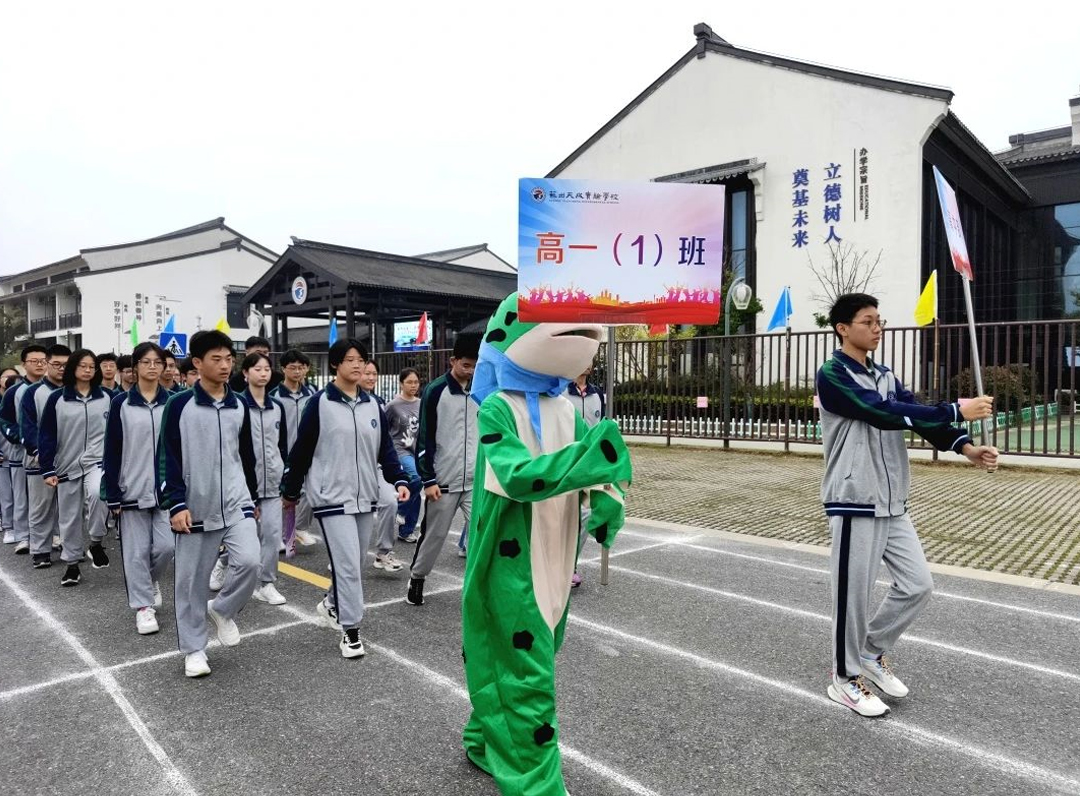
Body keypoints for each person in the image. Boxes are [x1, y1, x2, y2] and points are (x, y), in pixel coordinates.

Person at [460, 294, 631, 795]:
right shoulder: (497, 407)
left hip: (557, 552)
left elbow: (592, 469)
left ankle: (484, 737)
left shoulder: (564, 406)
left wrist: (607, 501)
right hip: (512, 556)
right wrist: (594, 461)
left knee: (533, 651)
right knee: (528, 673)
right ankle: (536, 784)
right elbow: (515, 476)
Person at [816, 293, 998, 717]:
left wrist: (966, 447)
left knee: (918, 584)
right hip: (854, 498)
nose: (877, 328)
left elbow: (914, 413)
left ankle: (870, 652)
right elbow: (881, 413)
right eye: (867, 321)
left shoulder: (884, 373)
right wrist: (957, 407)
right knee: (853, 596)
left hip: (893, 501)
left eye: (879, 320)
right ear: (843, 328)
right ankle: (844, 680)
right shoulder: (833, 374)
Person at [281, 338, 409, 658]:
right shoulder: (319, 404)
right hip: (330, 496)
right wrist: (291, 491)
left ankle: (330, 604)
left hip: (365, 495)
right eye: (349, 359)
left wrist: (400, 478)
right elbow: (302, 451)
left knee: (353, 562)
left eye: (361, 360)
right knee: (349, 564)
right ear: (336, 365)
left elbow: (385, 450)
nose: (357, 364)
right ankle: (351, 629)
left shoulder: (373, 405)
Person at [157, 330, 261, 678]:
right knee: (191, 582)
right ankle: (194, 650)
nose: (224, 365)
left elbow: (246, 456)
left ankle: (223, 609)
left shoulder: (240, 405)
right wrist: (175, 503)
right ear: (197, 363)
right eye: (216, 359)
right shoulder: (179, 405)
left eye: (229, 359)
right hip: (194, 506)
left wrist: (253, 497)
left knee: (249, 561)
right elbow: (167, 457)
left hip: (236, 501)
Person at [103, 342, 174, 634]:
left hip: (165, 490)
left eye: (158, 362)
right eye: (146, 362)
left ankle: (148, 581)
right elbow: (112, 449)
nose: (153, 367)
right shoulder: (121, 403)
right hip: (131, 486)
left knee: (167, 546)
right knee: (135, 552)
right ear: (135, 367)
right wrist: (112, 492)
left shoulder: (173, 401)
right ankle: (143, 607)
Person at [406, 334, 480, 606]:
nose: (471, 371)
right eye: (466, 365)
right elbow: (424, 438)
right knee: (434, 535)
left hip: (475, 481)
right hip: (443, 482)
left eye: (475, 366)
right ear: (453, 361)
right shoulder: (435, 390)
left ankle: (480, 588)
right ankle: (417, 577)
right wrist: (428, 479)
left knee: (482, 534)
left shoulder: (482, 390)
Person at [38, 349, 111, 587]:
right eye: (83, 366)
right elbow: (47, 434)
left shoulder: (108, 398)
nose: (89, 370)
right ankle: (71, 565)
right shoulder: (58, 399)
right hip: (66, 465)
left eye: (92, 366)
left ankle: (96, 541)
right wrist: (47, 468)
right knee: (68, 517)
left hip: (96, 462)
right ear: (73, 369)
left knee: (99, 493)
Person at [223, 352, 288, 605]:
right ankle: (223, 562)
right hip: (242, 485)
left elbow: (281, 445)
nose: (263, 373)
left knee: (271, 535)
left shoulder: (278, 408)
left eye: (267, 369)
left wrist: (284, 473)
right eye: (257, 368)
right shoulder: (236, 406)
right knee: (243, 537)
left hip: (272, 483)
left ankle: (267, 583)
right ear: (246, 373)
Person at [21, 344, 70, 568]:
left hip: (70, 460)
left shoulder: (75, 391)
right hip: (40, 460)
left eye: (66, 365)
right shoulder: (33, 393)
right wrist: (40, 453)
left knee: (70, 509)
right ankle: (40, 551)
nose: (61, 369)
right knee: (41, 508)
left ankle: (70, 550)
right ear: (48, 364)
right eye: (56, 364)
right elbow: (28, 427)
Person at [0, 345, 48, 555]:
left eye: (42, 360)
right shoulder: (13, 391)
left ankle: (52, 535)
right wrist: (20, 437)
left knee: (48, 496)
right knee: (21, 494)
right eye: (33, 361)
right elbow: (5, 419)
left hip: (47, 450)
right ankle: (22, 536)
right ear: (23, 365)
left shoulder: (54, 389)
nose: (39, 364)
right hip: (21, 451)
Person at [271, 349, 319, 554]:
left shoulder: (313, 395)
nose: (297, 371)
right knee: (284, 497)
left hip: (308, 453)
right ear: (283, 369)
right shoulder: (274, 396)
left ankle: (298, 528)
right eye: (292, 367)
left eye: (301, 367)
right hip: (283, 453)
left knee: (311, 491)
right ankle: (284, 535)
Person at [362, 360, 405, 573]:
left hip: (375, 467)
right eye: (366, 373)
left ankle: (383, 553)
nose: (370, 377)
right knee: (352, 514)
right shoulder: (332, 402)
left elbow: (385, 441)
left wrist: (397, 475)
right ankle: (341, 556)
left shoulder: (378, 403)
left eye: (374, 373)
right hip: (347, 471)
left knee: (389, 502)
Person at [565, 364, 606, 587]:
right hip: (564, 465)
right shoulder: (559, 392)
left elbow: (601, 430)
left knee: (585, 515)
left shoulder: (596, 393)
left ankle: (569, 565)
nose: (588, 363)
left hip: (588, 467)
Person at [384, 368, 423, 543]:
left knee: (417, 489)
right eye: (409, 382)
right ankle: (400, 509)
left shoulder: (422, 403)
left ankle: (406, 531)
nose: (413, 385)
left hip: (417, 451)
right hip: (399, 450)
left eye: (416, 382)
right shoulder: (393, 405)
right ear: (401, 384)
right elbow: (383, 429)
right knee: (415, 477)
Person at [0, 367, 27, 547]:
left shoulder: (24, 398)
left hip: (19, 453)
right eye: (6, 377)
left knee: (24, 496)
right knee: (8, 495)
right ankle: (10, 527)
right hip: (5, 456)